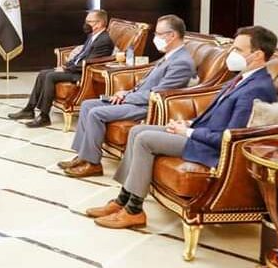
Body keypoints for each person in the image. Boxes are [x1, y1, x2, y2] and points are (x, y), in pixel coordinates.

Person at [87, 26, 278, 229]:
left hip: (210, 147)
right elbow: (216, 116)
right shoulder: (242, 78)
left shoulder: (257, 88)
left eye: (238, 49)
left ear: (258, 55)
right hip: (200, 133)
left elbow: (231, 136)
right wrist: (188, 123)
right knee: (136, 131)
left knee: (144, 139)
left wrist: (188, 132)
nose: (231, 53)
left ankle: (134, 211)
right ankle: (122, 200)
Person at [60, 14, 196, 178]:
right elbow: (146, 84)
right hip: (136, 99)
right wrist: (126, 92)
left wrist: (127, 98)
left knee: (96, 113)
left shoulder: (181, 62)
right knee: (88, 105)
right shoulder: (170, 55)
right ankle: (83, 156)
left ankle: (92, 164)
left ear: (172, 35)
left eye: (158, 34)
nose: (155, 38)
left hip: (146, 107)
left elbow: (159, 94)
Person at [8, 9, 114, 128]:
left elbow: (90, 62)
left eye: (89, 21)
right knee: (43, 73)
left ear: (99, 23)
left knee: (50, 76)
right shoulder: (92, 35)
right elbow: (81, 55)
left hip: (84, 74)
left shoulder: (104, 40)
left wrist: (66, 70)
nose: (86, 24)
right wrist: (66, 65)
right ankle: (29, 110)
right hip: (76, 69)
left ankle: (44, 116)